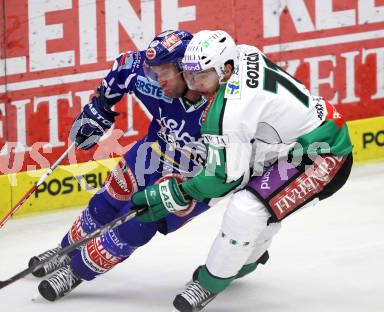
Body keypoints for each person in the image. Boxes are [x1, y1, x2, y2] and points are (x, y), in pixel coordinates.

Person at [132, 30, 353, 312]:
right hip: (292, 142)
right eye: (189, 76)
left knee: (248, 208)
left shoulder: (229, 111)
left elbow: (223, 178)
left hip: (322, 154)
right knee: (261, 199)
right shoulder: (243, 51)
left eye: (202, 76)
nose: (195, 84)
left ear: (224, 70)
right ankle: (246, 260)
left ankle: (211, 283)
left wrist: (176, 192)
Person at [28, 30, 216, 302]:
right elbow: (126, 65)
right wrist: (101, 108)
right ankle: (65, 251)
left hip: (194, 177)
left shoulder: (221, 106)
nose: (156, 80)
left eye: (163, 73)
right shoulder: (153, 78)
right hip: (153, 152)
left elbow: (233, 165)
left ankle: (76, 271)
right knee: (108, 199)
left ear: (185, 69)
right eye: (153, 72)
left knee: (138, 223)